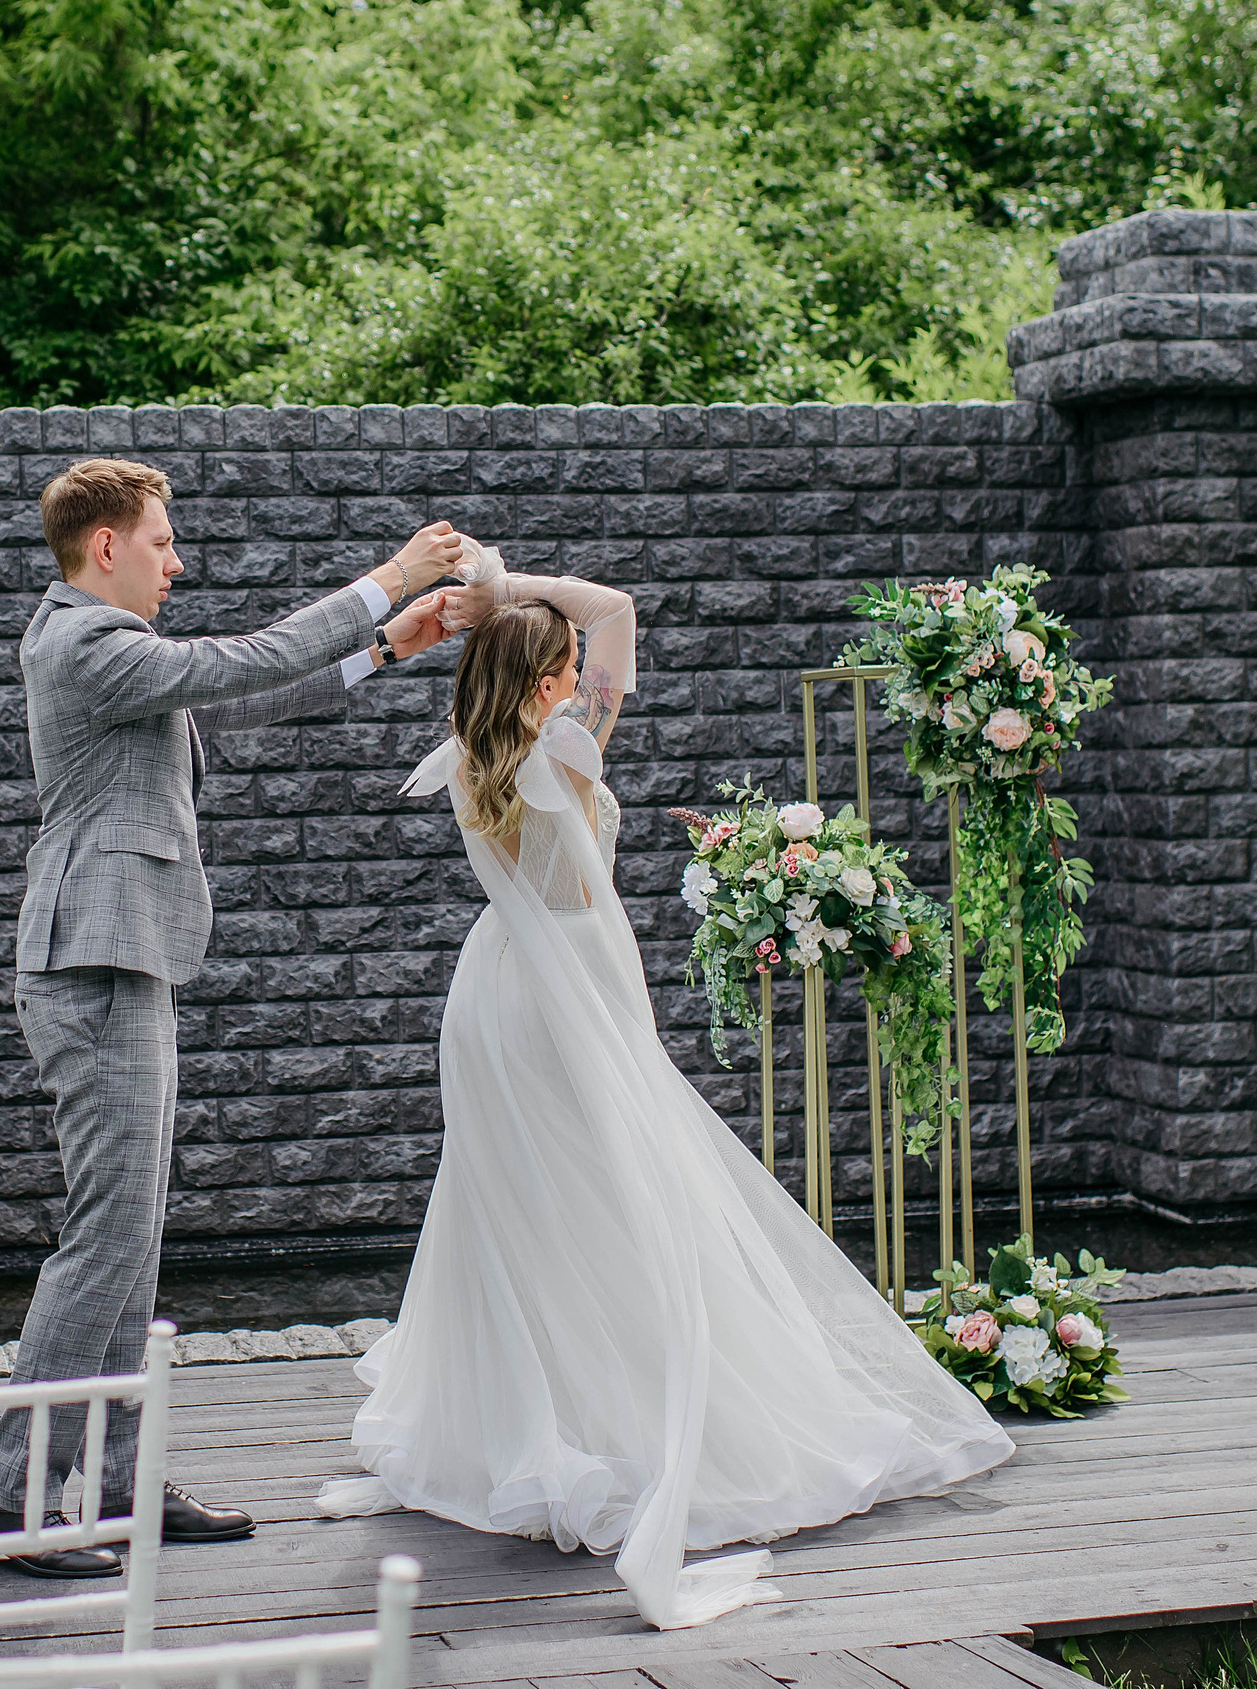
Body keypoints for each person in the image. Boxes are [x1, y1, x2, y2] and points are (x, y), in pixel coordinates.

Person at [317, 569, 1014, 1627]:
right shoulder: (565, 744)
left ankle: (531, 1420)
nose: (580, 676)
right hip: (567, 1002)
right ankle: (624, 1416)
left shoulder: (468, 756)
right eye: (563, 669)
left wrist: (500, 608)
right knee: (622, 1205)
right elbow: (617, 611)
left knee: (517, 1213)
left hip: (497, 998)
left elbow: (587, 646)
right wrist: (511, 582)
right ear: (547, 678)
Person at [0, 457, 466, 1577]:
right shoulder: (79, 640)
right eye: (161, 541)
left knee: (132, 1232)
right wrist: (385, 579)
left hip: (124, 953)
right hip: (94, 957)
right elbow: (238, 657)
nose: (177, 560)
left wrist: (390, 644)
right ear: (103, 545)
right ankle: (15, 1502)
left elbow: (242, 697)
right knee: (104, 1235)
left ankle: (114, 1485)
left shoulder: (121, 655)